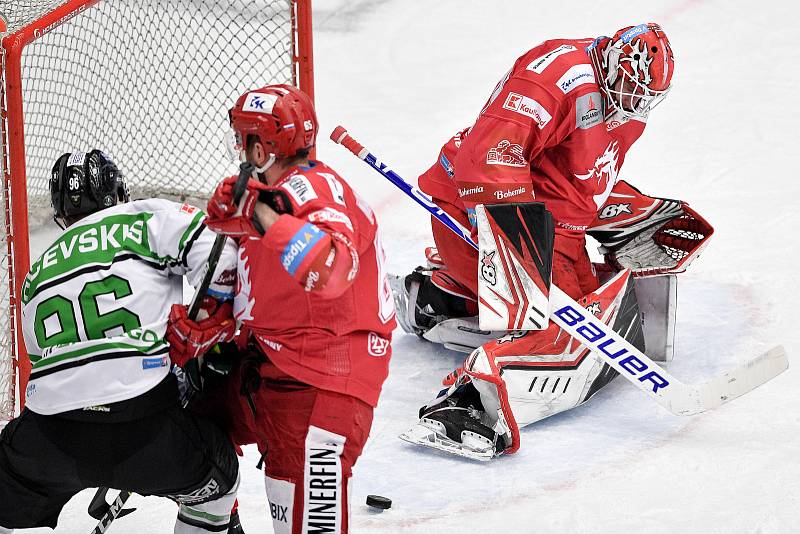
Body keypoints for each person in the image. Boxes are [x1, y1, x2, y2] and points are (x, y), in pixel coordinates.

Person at [395, 24, 685, 460]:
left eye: (644, 95)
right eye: (630, 87)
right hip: (476, 208)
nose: (635, 103)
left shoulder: (625, 101)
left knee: (593, 311)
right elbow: (488, 157)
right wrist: (514, 241)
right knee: (564, 331)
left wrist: (625, 213)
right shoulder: (555, 77)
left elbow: (576, 179)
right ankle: (469, 404)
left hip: (545, 220)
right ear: (612, 62)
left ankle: (443, 297)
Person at [174, 84, 395, 533]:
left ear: (265, 145)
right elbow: (258, 287)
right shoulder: (267, 196)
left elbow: (332, 269)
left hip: (324, 383)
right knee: (183, 431)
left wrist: (259, 216)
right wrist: (213, 332)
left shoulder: (317, 189)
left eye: (245, 138)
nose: (239, 148)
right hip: (272, 364)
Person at [0, 150, 242, 532]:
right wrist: (205, 334)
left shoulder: (37, 272)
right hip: (146, 429)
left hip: (49, 438)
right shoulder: (148, 217)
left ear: (61, 210)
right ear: (118, 192)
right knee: (218, 485)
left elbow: (42, 363)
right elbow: (224, 257)